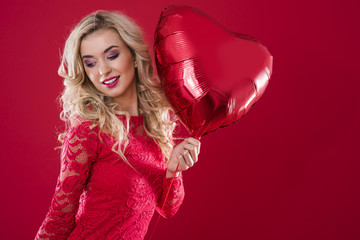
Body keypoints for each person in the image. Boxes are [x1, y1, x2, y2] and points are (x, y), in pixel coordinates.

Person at [35, 10, 200, 240]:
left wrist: (174, 170)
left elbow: (167, 209)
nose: (103, 71)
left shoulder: (156, 123)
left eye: (111, 55)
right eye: (90, 63)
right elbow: (60, 216)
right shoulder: (89, 129)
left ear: (133, 56)